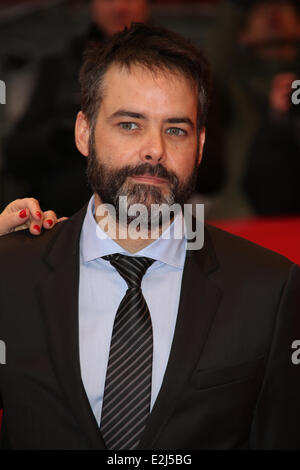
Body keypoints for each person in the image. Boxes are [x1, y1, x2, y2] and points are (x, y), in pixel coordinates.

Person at [0, 23, 300, 450]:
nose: (154, 149)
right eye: (129, 124)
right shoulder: (10, 273)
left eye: (175, 129)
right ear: (84, 132)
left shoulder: (269, 289)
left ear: (199, 146)